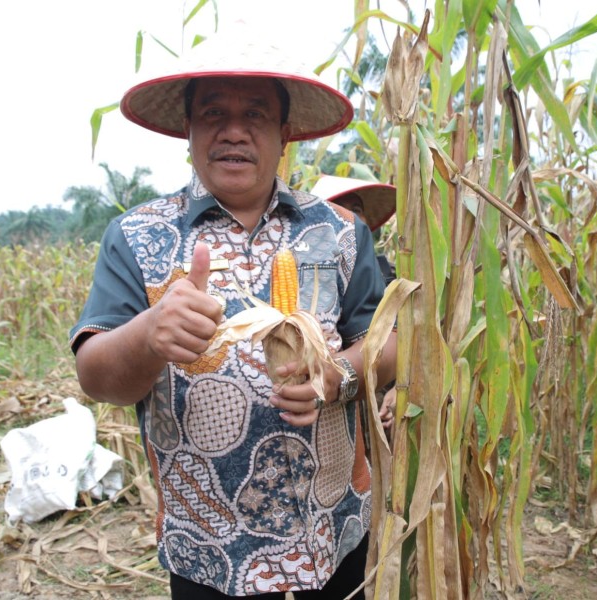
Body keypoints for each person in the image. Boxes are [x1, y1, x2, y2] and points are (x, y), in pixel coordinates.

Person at [70, 38, 397, 600]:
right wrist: (150, 336)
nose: (234, 130)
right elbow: (97, 377)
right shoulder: (138, 237)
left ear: (284, 133)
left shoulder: (343, 231)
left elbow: (387, 342)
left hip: (332, 530)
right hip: (210, 552)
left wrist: (336, 376)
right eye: (214, 113)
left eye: (256, 115)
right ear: (190, 130)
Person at [310, 176, 398, 434]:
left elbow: (416, 341)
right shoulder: (310, 280)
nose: (348, 217)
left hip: (385, 410)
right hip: (329, 413)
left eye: (356, 210)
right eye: (339, 208)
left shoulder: (393, 276)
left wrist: (399, 390)